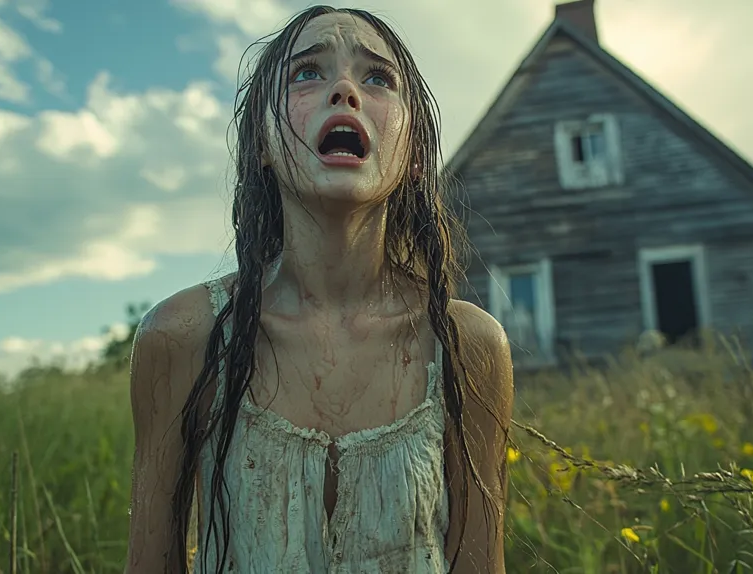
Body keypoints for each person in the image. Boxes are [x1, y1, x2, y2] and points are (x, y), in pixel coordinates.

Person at [124, 6, 514, 573]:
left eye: (377, 77)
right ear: (261, 140)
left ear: (411, 152)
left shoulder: (465, 346)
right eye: (307, 72)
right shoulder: (183, 336)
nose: (345, 91)